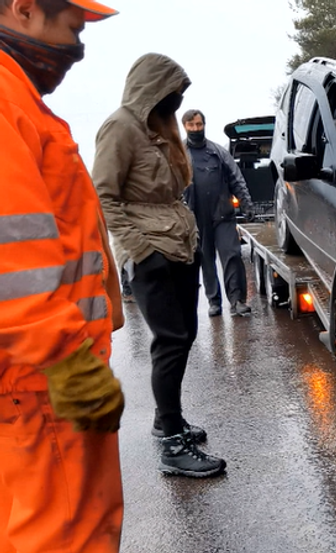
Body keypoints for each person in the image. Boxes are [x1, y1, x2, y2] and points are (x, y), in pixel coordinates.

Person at [0, 0, 126, 551]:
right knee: (66, 536)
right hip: (42, 386)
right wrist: (68, 363)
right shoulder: (5, 102)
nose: (78, 48)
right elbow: (12, 260)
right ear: (23, 8)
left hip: (41, 381)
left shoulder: (19, 100)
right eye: (74, 28)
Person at [93, 53, 226, 478]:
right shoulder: (120, 127)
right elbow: (105, 197)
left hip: (179, 244)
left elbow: (173, 190)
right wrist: (139, 250)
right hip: (150, 250)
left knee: (184, 336)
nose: (175, 103)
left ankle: (166, 418)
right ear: (151, 89)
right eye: (170, 94)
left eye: (179, 96)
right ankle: (172, 444)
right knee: (169, 341)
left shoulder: (161, 129)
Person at [181, 109, 253, 317]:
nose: (195, 129)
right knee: (205, 261)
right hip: (195, 217)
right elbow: (170, 186)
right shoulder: (178, 154)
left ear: (204, 125)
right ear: (184, 126)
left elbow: (236, 178)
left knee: (232, 256)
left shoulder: (218, 152)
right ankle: (214, 301)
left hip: (222, 214)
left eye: (198, 125)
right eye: (191, 125)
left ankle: (237, 300)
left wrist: (246, 205)